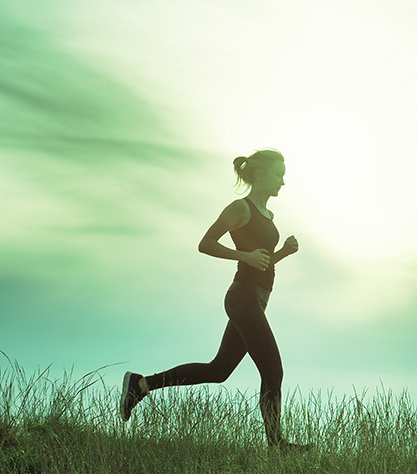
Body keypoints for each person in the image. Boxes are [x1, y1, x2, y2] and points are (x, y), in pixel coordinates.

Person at [119, 149, 308, 450]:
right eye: (278, 175)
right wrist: (242, 254)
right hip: (243, 297)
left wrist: (282, 252)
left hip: (256, 299)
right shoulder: (241, 208)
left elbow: (261, 262)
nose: (283, 182)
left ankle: (140, 385)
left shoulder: (268, 215)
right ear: (260, 175)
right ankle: (277, 445)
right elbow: (205, 243)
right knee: (273, 370)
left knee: (218, 370)